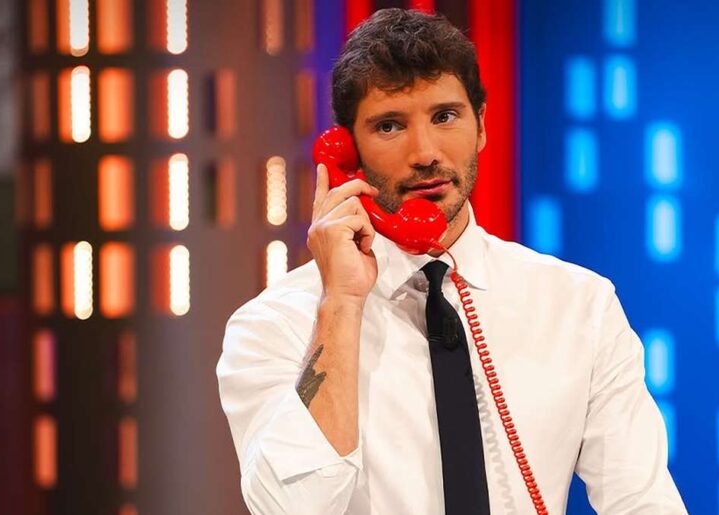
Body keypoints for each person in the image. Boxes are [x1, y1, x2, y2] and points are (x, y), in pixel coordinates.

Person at [216, 8, 687, 514]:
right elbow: (291, 508)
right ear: (347, 152)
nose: (425, 153)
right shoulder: (274, 324)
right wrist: (342, 304)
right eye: (390, 126)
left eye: (444, 117)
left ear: (481, 125)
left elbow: (644, 502)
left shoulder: (579, 305)